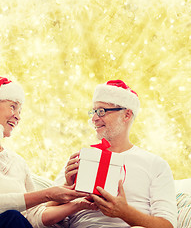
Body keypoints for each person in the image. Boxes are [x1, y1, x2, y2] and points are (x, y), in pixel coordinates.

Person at [0, 77, 97, 228]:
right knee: (12, 217)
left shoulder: (17, 161)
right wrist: (48, 194)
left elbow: (33, 216)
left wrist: (79, 204)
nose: (18, 116)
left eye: (20, 110)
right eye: (13, 106)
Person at [54, 79, 177, 228]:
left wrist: (124, 212)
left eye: (101, 111)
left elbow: (168, 225)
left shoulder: (155, 165)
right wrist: (68, 185)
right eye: (93, 112)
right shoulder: (80, 159)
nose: (94, 119)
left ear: (126, 115)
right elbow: (44, 211)